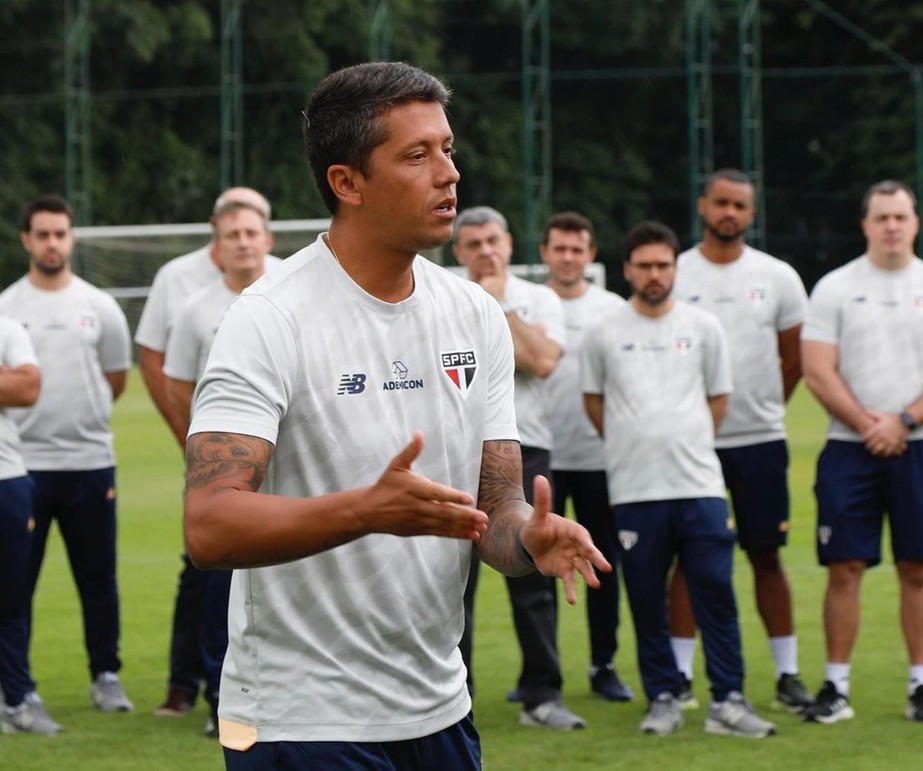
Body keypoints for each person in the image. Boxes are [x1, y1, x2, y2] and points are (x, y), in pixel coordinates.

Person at [182, 61, 609, 769]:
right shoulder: (267, 317)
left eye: (448, 148)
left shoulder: (474, 314)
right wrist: (366, 509)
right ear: (346, 183)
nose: (450, 174)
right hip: (301, 721)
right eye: (417, 155)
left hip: (439, 708)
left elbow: (492, 511)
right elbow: (210, 525)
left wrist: (530, 538)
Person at [580, 219, 777, 739]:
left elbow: (718, 401)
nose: (654, 274)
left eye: (663, 265)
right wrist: (636, 444)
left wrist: (682, 443)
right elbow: (594, 403)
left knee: (716, 594)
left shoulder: (703, 327)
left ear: (675, 268)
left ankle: (728, 701)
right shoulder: (604, 332)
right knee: (647, 601)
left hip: (700, 487)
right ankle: (663, 697)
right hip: (635, 490)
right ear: (627, 270)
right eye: (644, 265)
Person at [800, 180, 923, 726]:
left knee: (917, 567)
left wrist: (904, 421)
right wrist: (866, 423)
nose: (892, 226)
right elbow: (817, 369)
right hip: (848, 448)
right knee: (845, 567)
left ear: (916, 222)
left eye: (901, 216)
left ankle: (921, 686)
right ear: (866, 224)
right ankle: (836, 685)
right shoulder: (835, 287)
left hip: (919, 446)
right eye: (882, 217)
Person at [669, 168, 813, 712]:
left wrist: (764, 408)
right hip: (692, 445)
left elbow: (794, 360)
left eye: (740, 205)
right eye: (721, 202)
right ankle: (680, 676)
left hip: (759, 440)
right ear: (703, 206)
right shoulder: (677, 272)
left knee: (766, 556)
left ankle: (787, 674)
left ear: (752, 213)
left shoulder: (778, 277)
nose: (729, 213)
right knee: (688, 558)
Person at [135, 186, 277, 718]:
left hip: (284, 466)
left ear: (267, 239)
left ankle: (277, 686)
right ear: (216, 246)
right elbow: (177, 384)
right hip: (219, 468)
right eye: (232, 235)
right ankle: (217, 693)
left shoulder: (290, 291)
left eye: (251, 233)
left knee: (282, 571)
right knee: (214, 573)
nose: (243, 243)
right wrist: (208, 443)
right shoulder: (194, 307)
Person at [453, 206, 587, 731]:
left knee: (532, 574)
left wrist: (497, 305)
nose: (485, 251)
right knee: (451, 581)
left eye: (493, 240)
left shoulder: (540, 298)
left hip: (525, 448)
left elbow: (543, 361)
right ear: (458, 252)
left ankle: (542, 695)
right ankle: (454, 698)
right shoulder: (442, 298)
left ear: (509, 243)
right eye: (473, 244)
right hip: (456, 454)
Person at [0, 194, 133, 713]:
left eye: (60, 233)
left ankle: (106, 676)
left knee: (98, 577)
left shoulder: (99, 306)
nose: (52, 243)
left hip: (89, 462)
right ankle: (16, 686)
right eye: (43, 234)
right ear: (26, 240)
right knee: (15, 583)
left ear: (72, 238)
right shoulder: (7, 307)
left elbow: (115, 379)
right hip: (21, 467)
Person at [540, 211, 633, 702]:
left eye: (577, 249)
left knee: (602, 565)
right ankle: (543, 672)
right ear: (544, 253)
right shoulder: (532, 303)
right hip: (543, 459)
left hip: (600, 457)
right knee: (540, 569)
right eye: (560, 248)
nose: (568, 257)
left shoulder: (613, 309)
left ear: (591, 255)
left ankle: (604, 665)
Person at [0, 318, 59, 735]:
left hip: (6, 479)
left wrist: (14, 381)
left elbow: (27, 388)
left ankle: (17, 698)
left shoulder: (6, 327)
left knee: (11, 598)